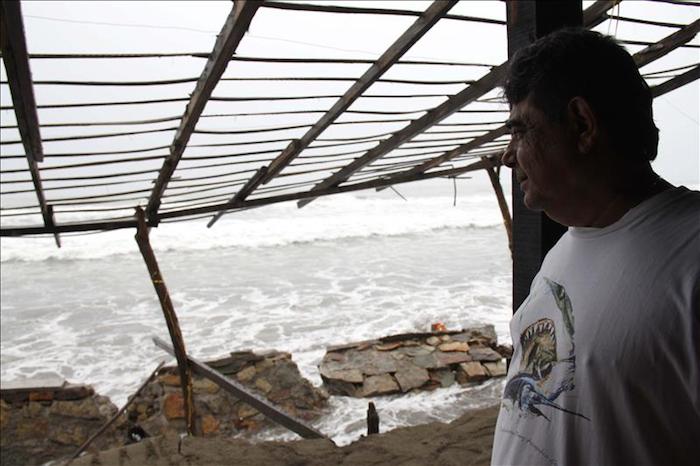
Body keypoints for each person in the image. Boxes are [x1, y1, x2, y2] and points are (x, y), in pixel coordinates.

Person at [491, 28, 700, 465]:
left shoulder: (690, 255)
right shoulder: (567, 246)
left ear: (582, 125)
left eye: (519, 132)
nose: (508, 156)